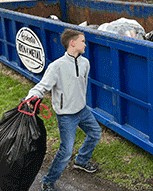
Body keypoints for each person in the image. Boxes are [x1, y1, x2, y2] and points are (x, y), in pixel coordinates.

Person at [25, 29, 101, 191]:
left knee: (95, 133)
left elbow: (82, 85)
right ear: (72, 43)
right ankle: (48, 180)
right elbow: (42, 86)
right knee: (66, 151)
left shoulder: (85, 63)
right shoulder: (56, 67)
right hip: (66, 115)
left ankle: (81, 161)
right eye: (82, 41)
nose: (85, 44)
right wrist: (31, 98)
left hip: (82, 110)